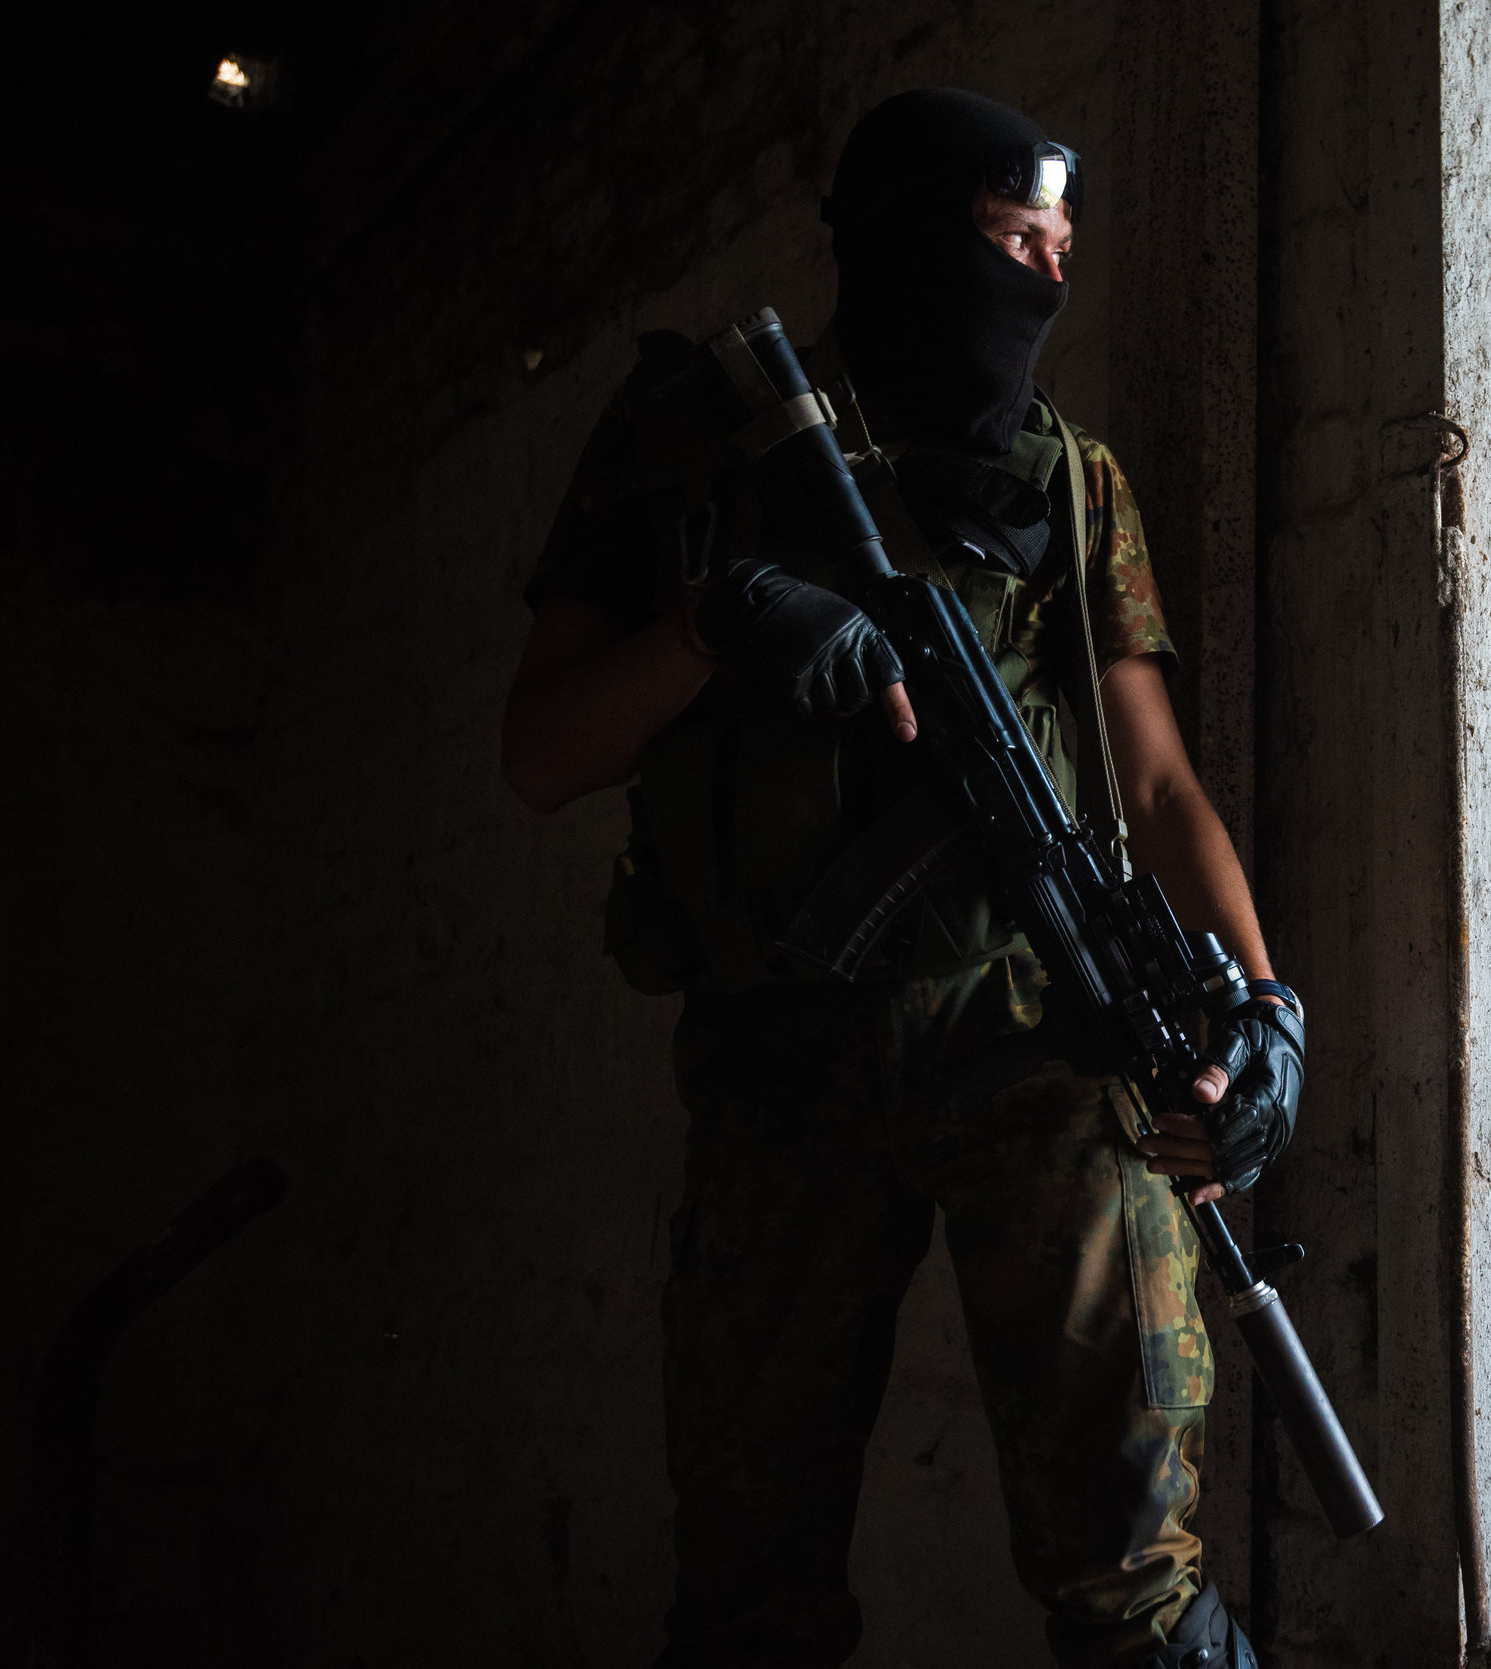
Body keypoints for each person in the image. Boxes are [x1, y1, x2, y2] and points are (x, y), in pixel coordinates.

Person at [499, 89, 1300, 1669]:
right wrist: (719, 623)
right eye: (1015, 242)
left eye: (1065, 249)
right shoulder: (697, 441)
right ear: (910, 242)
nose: (1046, 283)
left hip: (1041, 1038)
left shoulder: (1072, 484)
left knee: (1137, 1582)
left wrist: (1264, 1000)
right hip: (779, 1048)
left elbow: (1154, 778)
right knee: (747, 1585)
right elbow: (540, 749)